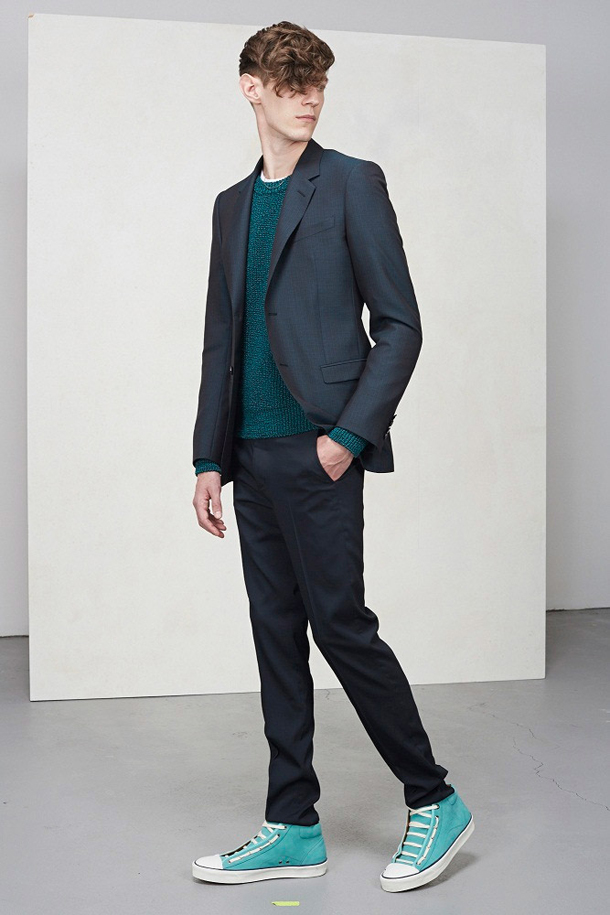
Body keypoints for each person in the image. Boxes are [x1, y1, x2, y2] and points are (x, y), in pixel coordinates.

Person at [190, 20, 474, 893]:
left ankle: (435, 798)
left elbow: (401, 324)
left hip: (319, 453)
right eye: (290, 82)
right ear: (251, 87)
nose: (308, 97)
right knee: (275, 634)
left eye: (316, 82)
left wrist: (347, 437)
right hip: (251, 456)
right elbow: (222, 337)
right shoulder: (232, 205)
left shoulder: (351, 182)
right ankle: (293, 823)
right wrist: (208, 456)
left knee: (340, 626)